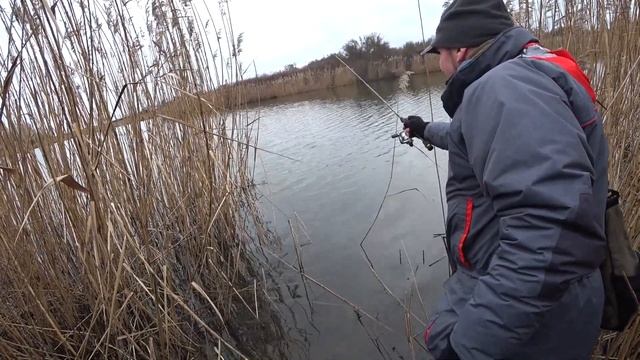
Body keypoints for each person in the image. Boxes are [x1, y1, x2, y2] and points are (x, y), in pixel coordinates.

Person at [402, 0, 609, 359]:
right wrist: (424, 130)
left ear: (460, 49)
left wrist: (468, 346)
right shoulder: (525, 76)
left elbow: (551, 234)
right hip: (555, 306)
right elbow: (466, 137)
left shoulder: (504, 87)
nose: (439, 64)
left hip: (532, 327)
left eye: (441, 52)